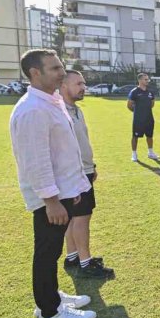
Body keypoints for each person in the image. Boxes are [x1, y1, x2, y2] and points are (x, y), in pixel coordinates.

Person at [10, 49, 95, 318]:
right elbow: (36, 160)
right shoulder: (33, 109)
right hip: (51, 198)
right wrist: (51, 201)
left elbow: (63, 150)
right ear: (35, 73)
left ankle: (51, 298)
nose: (61, 73)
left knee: (52, 250)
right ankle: (50, 313)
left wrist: (75, 186)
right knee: (47, 252)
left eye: (61, 67)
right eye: (55, 68)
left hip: (63, 191)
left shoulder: (50, 101)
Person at [60, 70, 114, 279]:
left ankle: (73, 256)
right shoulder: (59, 112)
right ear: (64, 86)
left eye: (83, 83)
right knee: (82, 217)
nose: (83, 87)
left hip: (85, 169)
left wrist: (91, 166)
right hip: (75, 173)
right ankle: (86, 262)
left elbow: (82, 142)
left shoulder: (76, 110)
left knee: (75, 217)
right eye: (78, 84)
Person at [128, 73, 159, 162]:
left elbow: (152, 104)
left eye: (147, 79)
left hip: (149, 118)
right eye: (145, 79)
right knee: (135, 136)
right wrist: (138, 113)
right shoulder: (134, 92)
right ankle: (134, 154)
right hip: (138, 119)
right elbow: (129, 105)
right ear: (140, 80)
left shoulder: (150, 92)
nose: (147, 81)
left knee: (150, 136)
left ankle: (150, 153)